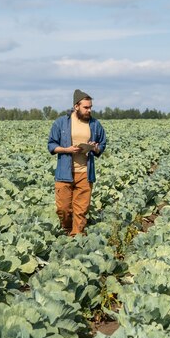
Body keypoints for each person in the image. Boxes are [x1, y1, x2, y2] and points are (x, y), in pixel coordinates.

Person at [47, 89, 107, 236]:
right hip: (64, 172)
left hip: (85, 173)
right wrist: (67, 150)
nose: (89, 110)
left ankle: (76, 236)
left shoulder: (95, 124)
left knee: (81, 210)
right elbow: (51, 145)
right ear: (76, 106)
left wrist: (95, 148)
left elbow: (102, 145)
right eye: (86, 107)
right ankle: (67, 229)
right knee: (63, 208)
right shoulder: (61, 123)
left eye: (90, 107)